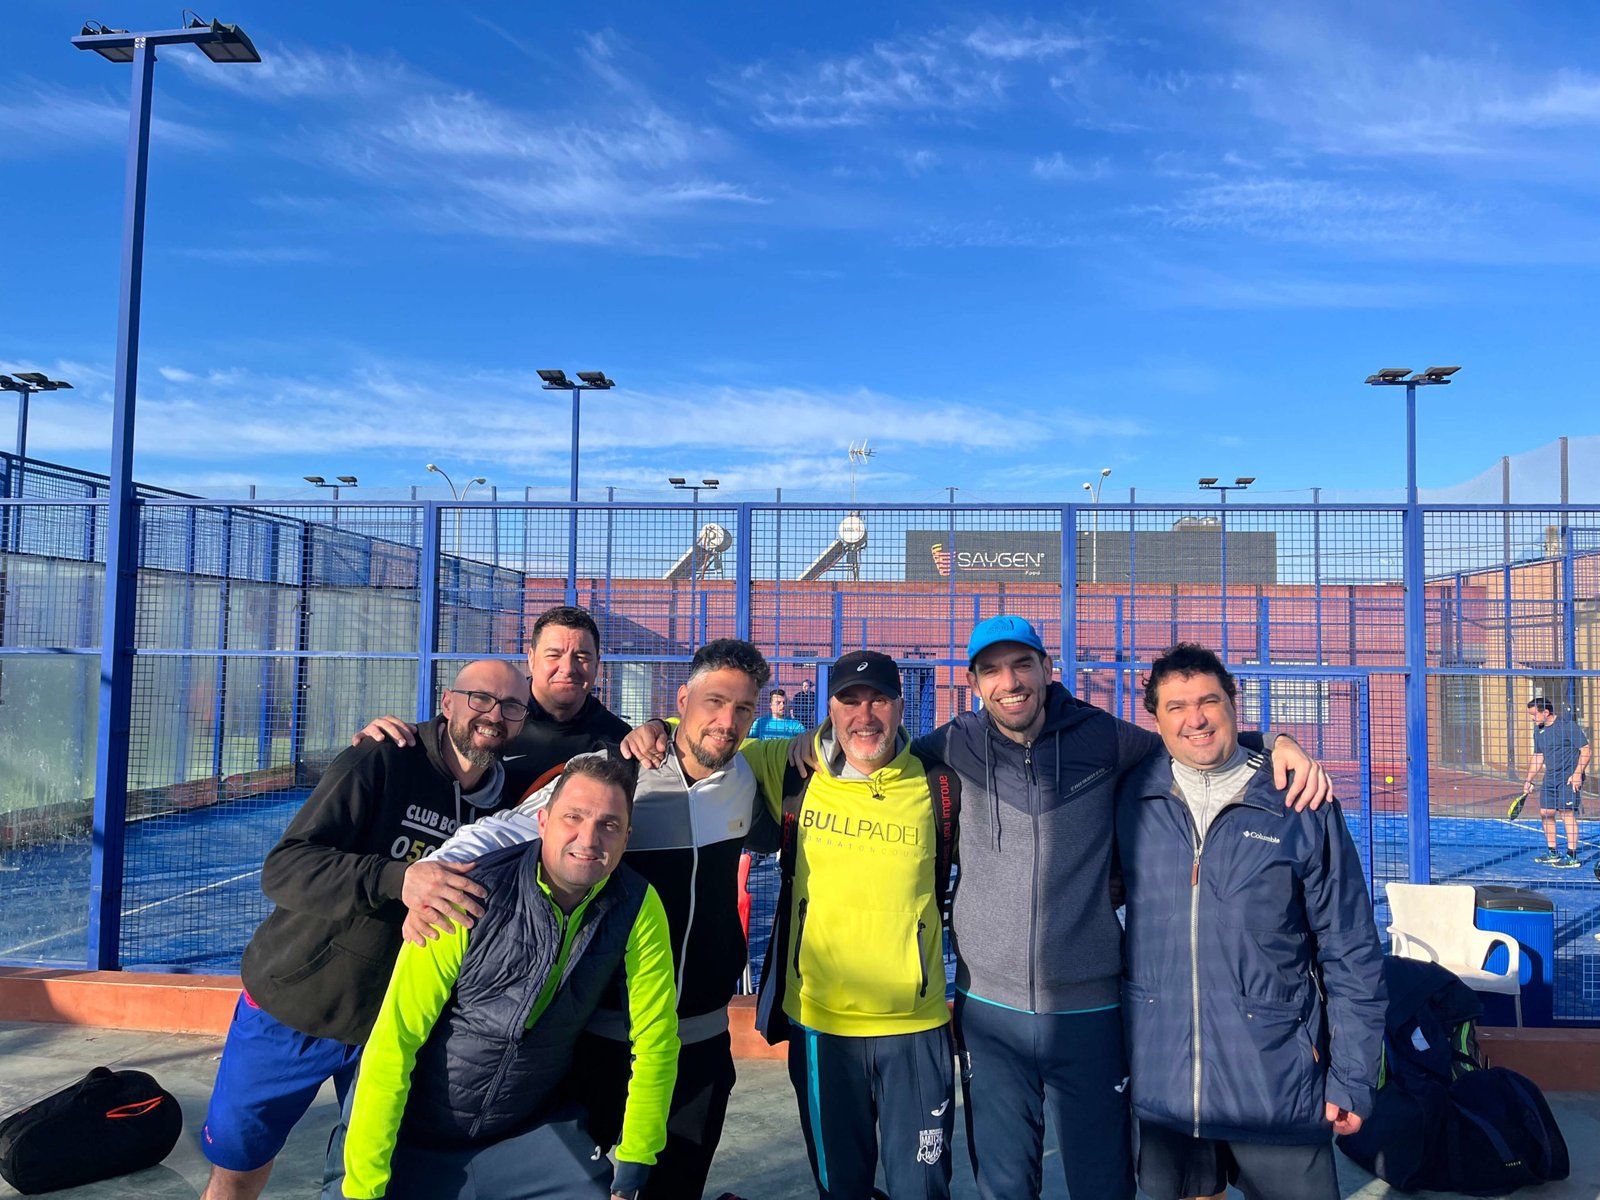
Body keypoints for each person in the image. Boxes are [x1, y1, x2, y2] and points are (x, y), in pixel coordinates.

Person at [910, 614, 1330, 1200]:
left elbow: (1193, 742)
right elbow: (873, 749)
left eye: (1022, 664)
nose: (1009, 681)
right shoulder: (953, 742)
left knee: (1103, 1185)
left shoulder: (1102, 737)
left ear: (1047, 669)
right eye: (992, 670)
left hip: (1090, 1011)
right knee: (1002, 1186)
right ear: (974, 682)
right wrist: (810, 743)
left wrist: (1274, 741)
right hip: (989, 1010)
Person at [417, 639, 770, 1200]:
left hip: (701, 1043)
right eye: (715, 702)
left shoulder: (747, 777)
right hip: (597, 1040)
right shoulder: (617, 772)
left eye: (744, 708)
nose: (727, 722)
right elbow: (513, 827)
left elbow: (826, 746)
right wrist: (424, 873)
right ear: (683, 700)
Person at [199, 659, 530, 1200]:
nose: (494, 714)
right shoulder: (383, 756)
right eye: (480, 698)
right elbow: (285, 868)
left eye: (511, 706)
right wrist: (398, 879)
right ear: (447, 702)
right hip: (296, 1004)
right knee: (239, 1170)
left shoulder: (508, 802)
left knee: (372, 1181)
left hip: (393, 1030)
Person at [326, 754, 679, 1200]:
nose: (588, 838)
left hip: (521, 1132)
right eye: (573, 817)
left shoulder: (637, 905)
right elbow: (395, 1041)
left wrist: (634, 1167)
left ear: (626, 838)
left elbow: (655, 1041)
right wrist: (364, 1186)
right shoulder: (467, 895)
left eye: (609, 825)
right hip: (412, 1130)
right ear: (543, 821)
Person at [1117, 643, 1385, 1200]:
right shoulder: (1132, 796)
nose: (1195, 719)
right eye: (1176, 707)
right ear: (1155, 719)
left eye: (1209, 701)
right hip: (1167, 1086)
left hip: (1276, 1084)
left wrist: (1354, 1074)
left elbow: (1350, 947)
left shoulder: (1299, 800)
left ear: (1233, 704)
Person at [739, 650, 956, 1199]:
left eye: (879, 700)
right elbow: (710, 740)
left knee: (923, 1190)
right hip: (822, 1027)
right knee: (841, 1189)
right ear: (830, 710)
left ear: (900, 707)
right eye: (849, 701)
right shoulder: (791, 768)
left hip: (915, 1026)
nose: (865, 715)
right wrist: (656, 727)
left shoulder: (938, 782)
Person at [352, 605, 630, 797]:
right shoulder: (490, 719)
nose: (568, 668)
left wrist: (653, 728)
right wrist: (386, 740)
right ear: (531, 658)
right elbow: (437, 744)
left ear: (597, 664)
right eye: (554, 655)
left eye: (581, 657)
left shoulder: (616, 740)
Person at [1525, 697, 1591, 868]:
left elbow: (1586, 751)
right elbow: (1538, 757)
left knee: (1566, 812)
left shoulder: (1567, 726)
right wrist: (1529, 780)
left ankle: (1572, 856)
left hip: (1568, 777)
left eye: (1534, 714)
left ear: (1546, 712)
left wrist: (1577, 774)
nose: (1532, 718)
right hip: (1550, 778)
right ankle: (1552, 852)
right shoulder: (1538, 731)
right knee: (1546, 812)